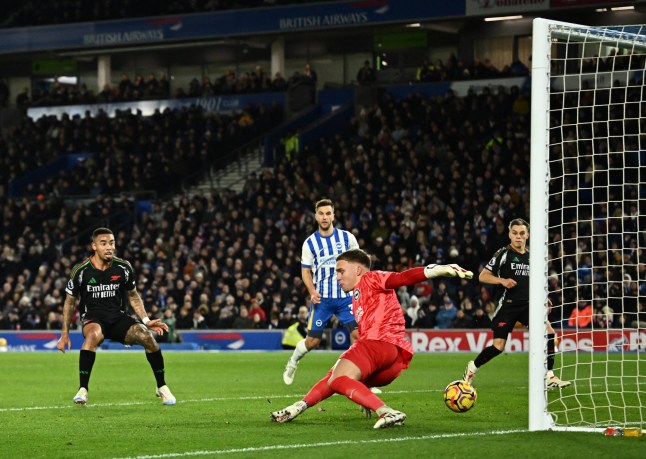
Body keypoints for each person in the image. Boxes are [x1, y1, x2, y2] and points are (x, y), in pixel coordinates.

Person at [271, 248, 473, 429]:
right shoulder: (357, 296)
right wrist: (362, 393)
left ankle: (386, 411)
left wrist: (436, 270)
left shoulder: (370, 278)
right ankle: (297, 408)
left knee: (339, 377)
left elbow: (401, 278)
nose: (337, 277)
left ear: (358, 270)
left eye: (341, 271)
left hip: (379, 345)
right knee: (335, 377)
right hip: (390, 362)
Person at [56, 227, 176, 405]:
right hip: (93, 318)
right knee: (92, 335)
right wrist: (64, 334)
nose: (109, 247)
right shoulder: (81, 271)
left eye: (111, 243)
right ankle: (83, 389)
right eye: (103, 243)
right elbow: (69, 302)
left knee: (147, 337)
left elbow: (133, 296)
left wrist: (146, 321)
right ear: (94, 246)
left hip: (118, 317)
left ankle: (162, 386)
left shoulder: (123, 267)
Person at [463, 218, 571, 389]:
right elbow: (483, 276)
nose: (518, 237)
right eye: (515, 233)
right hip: (508, 305)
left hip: (528, 305)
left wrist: (543, 296)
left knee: (549, 333)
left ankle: (549, 377)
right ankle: (472, 367)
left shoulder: (531, 256)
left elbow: (534, 281)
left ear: (527, 235)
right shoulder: (503, 254)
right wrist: (502, 281)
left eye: (522, 233)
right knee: (498, 346)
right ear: (509, 234)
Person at [282, 199, 360, 385]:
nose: (325, 217)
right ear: (316, 216)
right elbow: (305, 271)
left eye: (328, 213)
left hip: (345, 298)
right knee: (312, 342)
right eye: (321, 214)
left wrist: (359, 285)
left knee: (358, 336)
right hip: (322, 299)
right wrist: (312, 291)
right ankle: (292, 362)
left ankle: (361, 381)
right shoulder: (310, 243)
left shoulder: (347, 238)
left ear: (333, 215)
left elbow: (359, 262)